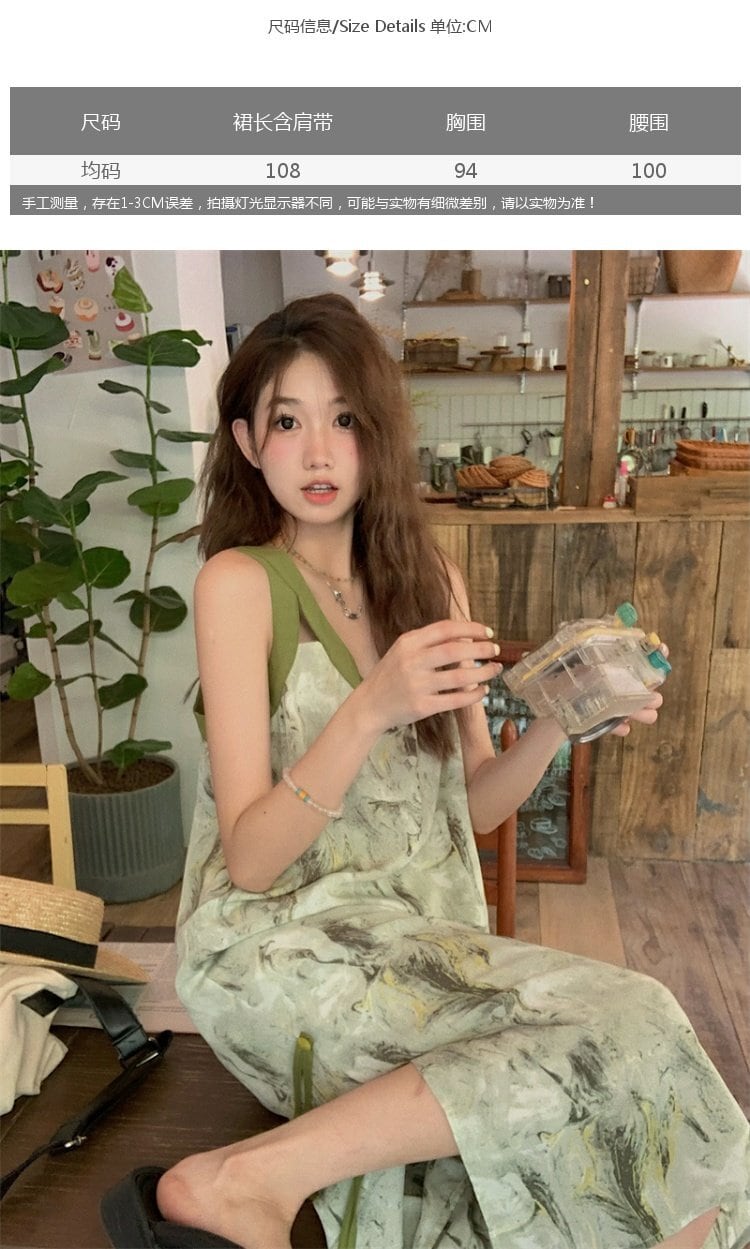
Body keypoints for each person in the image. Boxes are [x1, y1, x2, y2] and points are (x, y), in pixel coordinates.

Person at [101, 293, 749, 1249]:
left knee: (636, 1047)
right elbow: (249, 860)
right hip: (278, 949)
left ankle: (249, 1178)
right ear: (247, 441)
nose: (318, 453)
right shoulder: (238, 585)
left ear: (379, 434)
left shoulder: (430, 581)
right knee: (616, 1035)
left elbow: (476, 805)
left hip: (418, 942)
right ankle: (246, 1179)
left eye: (344, 419)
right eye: (288, 421)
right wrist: (370, 706)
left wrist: (561, 720)